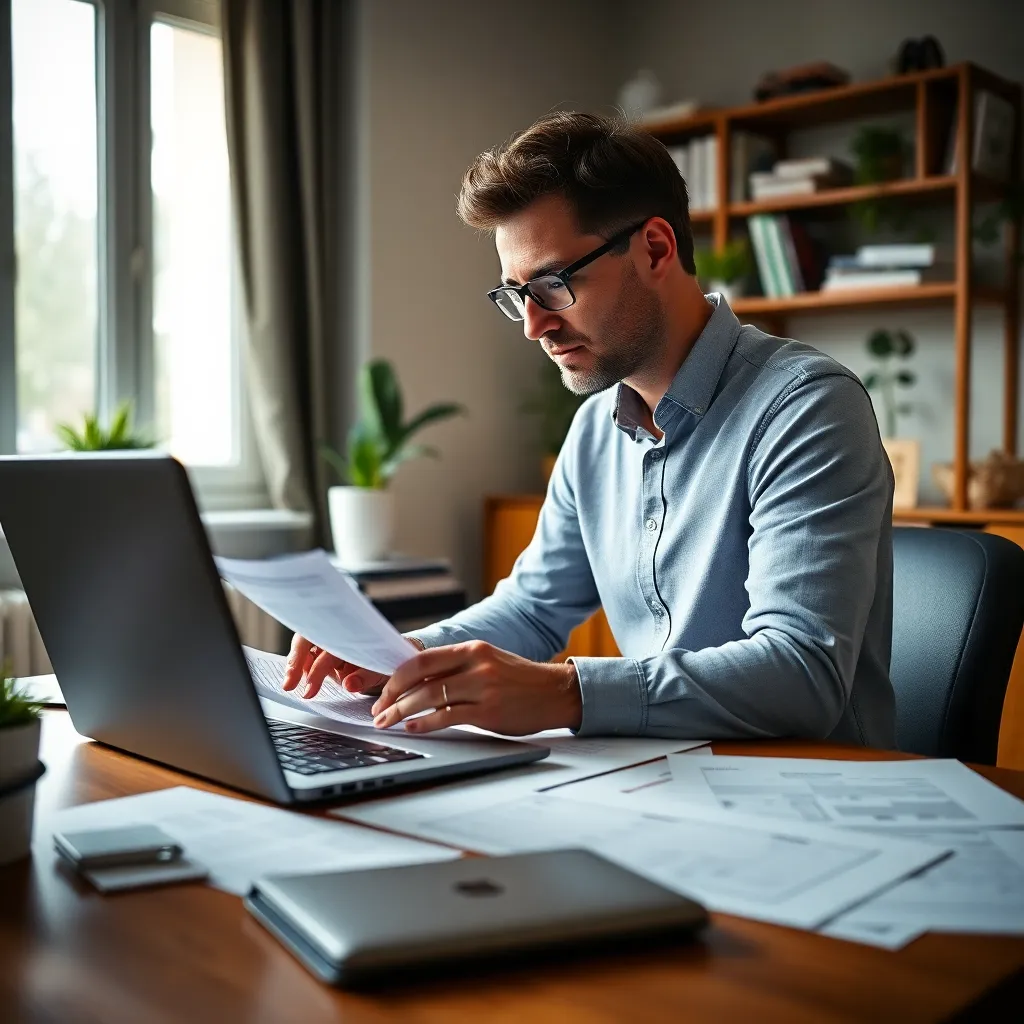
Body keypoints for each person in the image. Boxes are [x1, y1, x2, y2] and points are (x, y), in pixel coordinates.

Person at [283, 111, 896, 747]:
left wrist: (565, 692)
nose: (533, 325)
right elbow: (533, 608)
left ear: (655, 248)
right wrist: (400, 656)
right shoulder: (594, 433)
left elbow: (800, 677)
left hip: (811, 797)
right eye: (515, 294)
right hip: (654, 783)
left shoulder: (806, 409)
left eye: (552, 285)